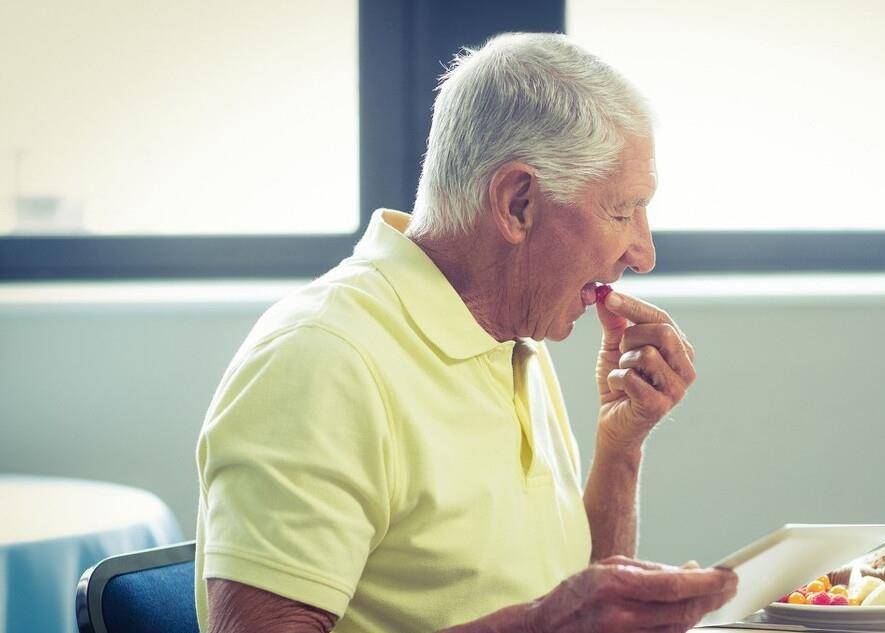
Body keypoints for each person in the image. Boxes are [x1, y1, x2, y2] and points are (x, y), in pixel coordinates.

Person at [195, 33, 736, 633]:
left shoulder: (516, 340)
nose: (644, 252)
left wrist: (622, 444)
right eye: (621, 211)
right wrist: (533, 627)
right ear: (518, 203)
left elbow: (582, 610)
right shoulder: (321, 357)